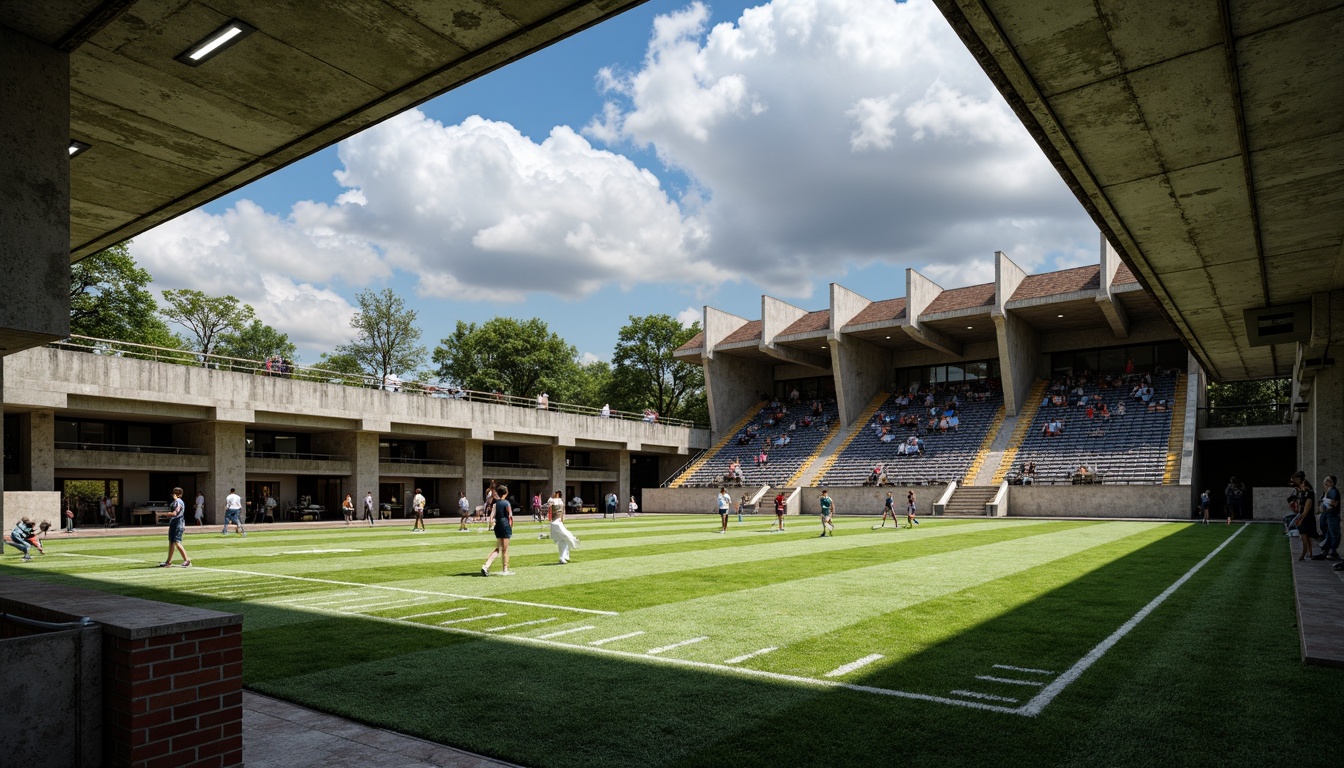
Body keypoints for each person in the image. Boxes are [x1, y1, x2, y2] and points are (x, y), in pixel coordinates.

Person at [480, 484, 514, 576]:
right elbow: (510, 517)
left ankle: (486, 566)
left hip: (497, 526)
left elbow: (491, 517)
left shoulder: (495, 504)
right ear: (505, 493)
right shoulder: (507, 503)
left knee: (498, 549)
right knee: (505, 550)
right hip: (505, 525)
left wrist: (491, 525)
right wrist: (511, 527)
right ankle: (505, 568)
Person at [158, 487, 191, 568]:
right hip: (175, 523)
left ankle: (186, 559)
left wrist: (164, 514)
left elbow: (175, 513)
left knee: (176, 541)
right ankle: (168, 561)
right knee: (172, 542)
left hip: (177, 523)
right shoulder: (178, 502)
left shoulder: (178, 502)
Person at [1290, 471, 1318, 561]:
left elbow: (1306, 509)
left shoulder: (1309, 493)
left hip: (1307, 517)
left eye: (1302, 485)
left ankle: (1306, 553)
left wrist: (1301, 519)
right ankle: (1308, 553)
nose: (1300, 486)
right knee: (1305, 537)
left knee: (1306, 537)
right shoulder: (1303, 493)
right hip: (1304, 516)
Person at [549, 490, 579, 564]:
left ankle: (563, 557)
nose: (553, 494)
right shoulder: (558, 501)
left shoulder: (554, 501)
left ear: (558, 494)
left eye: (554, 493)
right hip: (556, 522)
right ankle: (564, 556)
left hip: (556, 522)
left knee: (562, 541)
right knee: (563, 538)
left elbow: (558, 511)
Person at [1313, 475, 1339, 561]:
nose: (1324, 482)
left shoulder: (1333, 491)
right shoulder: (1327, 491)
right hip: (1326, 516)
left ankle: (1333, 552)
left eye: (1326, 481)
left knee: (1332, 534)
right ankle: (1325, 552)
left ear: (1330, 482)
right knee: (1326, 534)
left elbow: (1334, 503)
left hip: (1331, 516)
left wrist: (1325, 505)